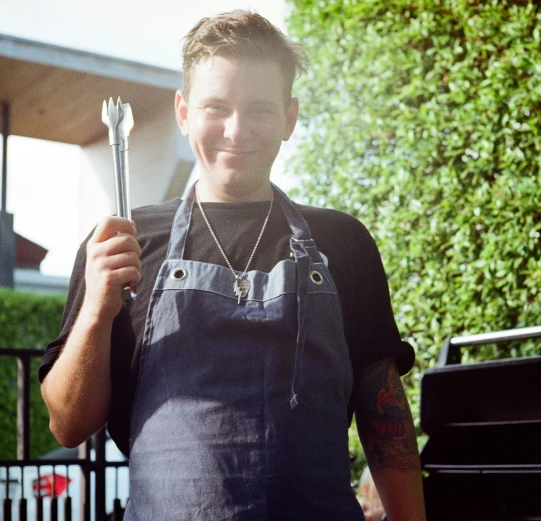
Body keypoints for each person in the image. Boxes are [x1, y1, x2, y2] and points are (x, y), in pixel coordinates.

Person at [39, 10, 426, 521]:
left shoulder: (343, 242)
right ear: (183, 112)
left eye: (260, 110)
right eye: (215, 107)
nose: (236, 130)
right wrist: (95, 311)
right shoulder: (122, 244)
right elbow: (68, 425)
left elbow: (385, 415)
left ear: (290, 117)